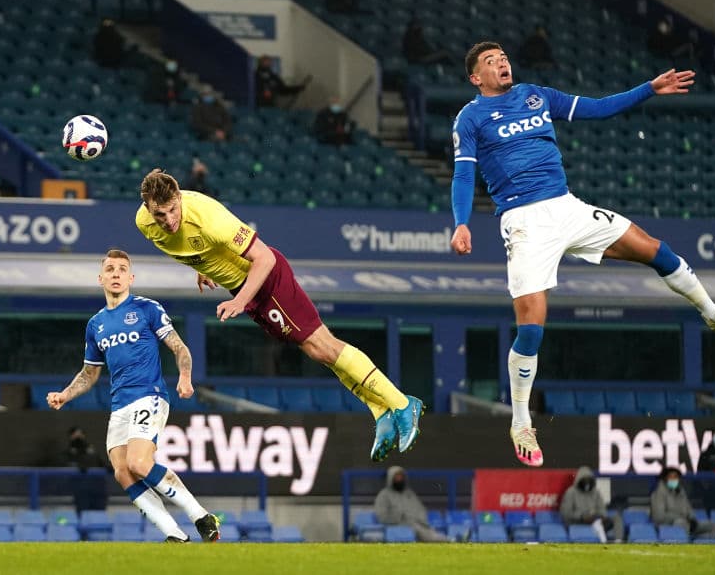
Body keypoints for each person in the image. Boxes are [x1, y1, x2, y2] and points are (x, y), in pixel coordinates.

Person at [449, 41, 715, 468]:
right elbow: (463, 173)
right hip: (524, 221)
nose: (502, 62)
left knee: (653, 248)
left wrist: (649, 88)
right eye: (491, 61)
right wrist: (462, 222)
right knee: (532, 326)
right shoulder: (470, 118)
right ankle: (521, 421)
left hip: (567, 206)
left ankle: (713, 313)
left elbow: (597, 109)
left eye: (503, 56)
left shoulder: (535, 95)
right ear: (476, 78)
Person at [135, 170, 422, 462]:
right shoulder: (144, 224)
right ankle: (380, 411)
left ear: (180, 197)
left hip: (265, 281)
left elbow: (265, 258)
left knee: (324, 346)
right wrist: (203, 268)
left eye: (173, 210)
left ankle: (401, 404)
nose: (168, 220)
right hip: (249, 292)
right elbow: (191, 246)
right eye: (160, 214)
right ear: (147, 208)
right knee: (319, 352)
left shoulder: (209, 217)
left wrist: (239, 301)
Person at [47, 249, 221, 543]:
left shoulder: (147, 308)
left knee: (139, 463)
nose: (116, 274)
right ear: (100, 278)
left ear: (131, 278)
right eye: (110, 269)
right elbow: (89, 373)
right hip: (119, 405)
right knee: (122, 472)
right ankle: (174, 534)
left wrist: (185, 376)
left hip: (149, 395)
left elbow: (179, 347)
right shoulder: (96, 325)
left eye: (122, 269)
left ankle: (201, 516)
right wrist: (65, 394)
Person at [373, 466, 453, 542]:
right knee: (419, 530)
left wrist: (420, 520)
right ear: (391, 478)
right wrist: (399, 516)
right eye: (397, 477)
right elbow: (381, 516)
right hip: (397, 526)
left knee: (426, 530)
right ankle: (447, 540)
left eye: (401, 476)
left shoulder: (409, 494)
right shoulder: (383, 495)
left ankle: (447, 539)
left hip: (417, 524)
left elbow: (421, 509)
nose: (400, 479)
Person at [650, 466, 715, 540]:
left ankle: (698, 542)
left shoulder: (681, 491)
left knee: (714, 526)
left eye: (675, 477)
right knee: (681, 523)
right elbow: (659, 516)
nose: (673, 479)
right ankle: (687, 543)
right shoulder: (658, 493)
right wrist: (680, 518)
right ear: (665, 478)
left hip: (686, 522)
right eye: (670, 477)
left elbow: (688, 509)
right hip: (666, 525)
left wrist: (692, 519)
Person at [559, 466, 619, 542]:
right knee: (596, 525)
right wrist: (581, 516)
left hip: (596, 520)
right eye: (584, 480)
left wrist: (598, 516)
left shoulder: (596, 492)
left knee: (616, 518)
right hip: (578, 521)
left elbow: (602, 509)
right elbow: (566, 513)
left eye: (589, 479)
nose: (587, 482)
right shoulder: (571, 492)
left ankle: (618, 541)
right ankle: (603, 541)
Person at [62, 425, 109, 514]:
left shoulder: (91, 450)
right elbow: (67, 465)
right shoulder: (68, 452)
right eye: (75, 435)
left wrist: (107, 467)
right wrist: (78, 466)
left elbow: (100, 462)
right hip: (81, 489)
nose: (78, 437)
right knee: (83, 513)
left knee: (99, 513)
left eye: (80, 434)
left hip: (98, 487)